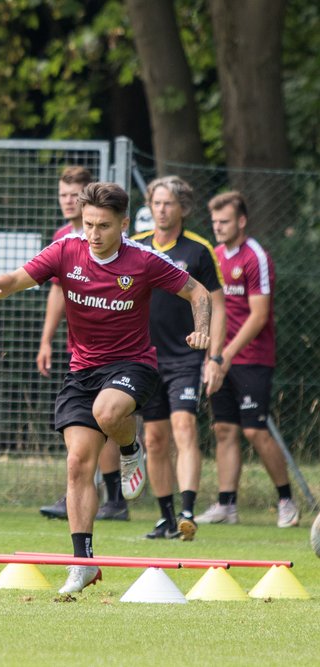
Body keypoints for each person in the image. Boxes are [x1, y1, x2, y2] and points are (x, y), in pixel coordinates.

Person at [0, 182, 211, 594]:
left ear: (123, 224)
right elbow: (20, 277)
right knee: (76, 464)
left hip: (134, 365)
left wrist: (203, 330)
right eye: (88, 225)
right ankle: (82, 561)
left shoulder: (144, 260)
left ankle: (127, 446)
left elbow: (198, 292)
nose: (94, 234)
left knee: (107, 412)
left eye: (103, 226)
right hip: (82, 371)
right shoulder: (67, 250)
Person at [196, 191, 300, 528]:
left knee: (255, 431)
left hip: (252, 358)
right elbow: (210, 309)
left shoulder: (256, 257)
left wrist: (225, 355)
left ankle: (286, 500)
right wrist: (212, 356)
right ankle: (227, 504)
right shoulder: (214, 257)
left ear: (241, 221)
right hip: (221, 357)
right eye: (214, 222)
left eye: (224, 222)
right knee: (223, 428)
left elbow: (258, 316)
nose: (218, 228)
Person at [131, 176, 226, 541]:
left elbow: (217, 305)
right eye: (156, 203)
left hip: (186, 357)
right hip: (146, 357)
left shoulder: (198, 250)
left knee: (184, 427)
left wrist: (214, 356)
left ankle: (187, 512)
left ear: (183, 208)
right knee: (154, 440)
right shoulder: (136, 248)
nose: (162, 209)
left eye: (169, 203)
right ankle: (166, 517)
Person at [37, 166, 130, 522]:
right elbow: (57, 292)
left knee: (107, 418)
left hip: (121, 355)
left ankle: (115, 496)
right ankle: (82, 491)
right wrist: (46, 339)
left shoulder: (115, 242)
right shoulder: (64, 239)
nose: (66, 202)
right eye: (62, 196)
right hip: (80, 350)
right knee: (85, 428)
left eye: (71, 196)